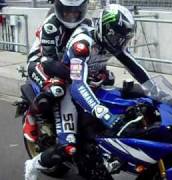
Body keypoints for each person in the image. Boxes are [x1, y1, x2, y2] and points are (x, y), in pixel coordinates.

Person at [24, 4, 151, 180]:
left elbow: (134, 66)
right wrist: (104, 114)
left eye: (124, 39)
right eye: (118, 38)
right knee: (67, 147)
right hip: (66, 81)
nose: (121, 43)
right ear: (107, 30)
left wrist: (156, 90)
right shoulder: (81, 44)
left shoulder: (111, 41)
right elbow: (76, 85)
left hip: (87, 79)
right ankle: (34, 165)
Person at [23, 0, 91, 143]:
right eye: (67, 11)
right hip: (40, 62)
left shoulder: (88, 25)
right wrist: (75, 76)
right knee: (56, 88)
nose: (72, 15)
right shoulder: (51, 25)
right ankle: (31, 115)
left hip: (67, 64)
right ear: (59, 9)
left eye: (76, 11)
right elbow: (49, 63)